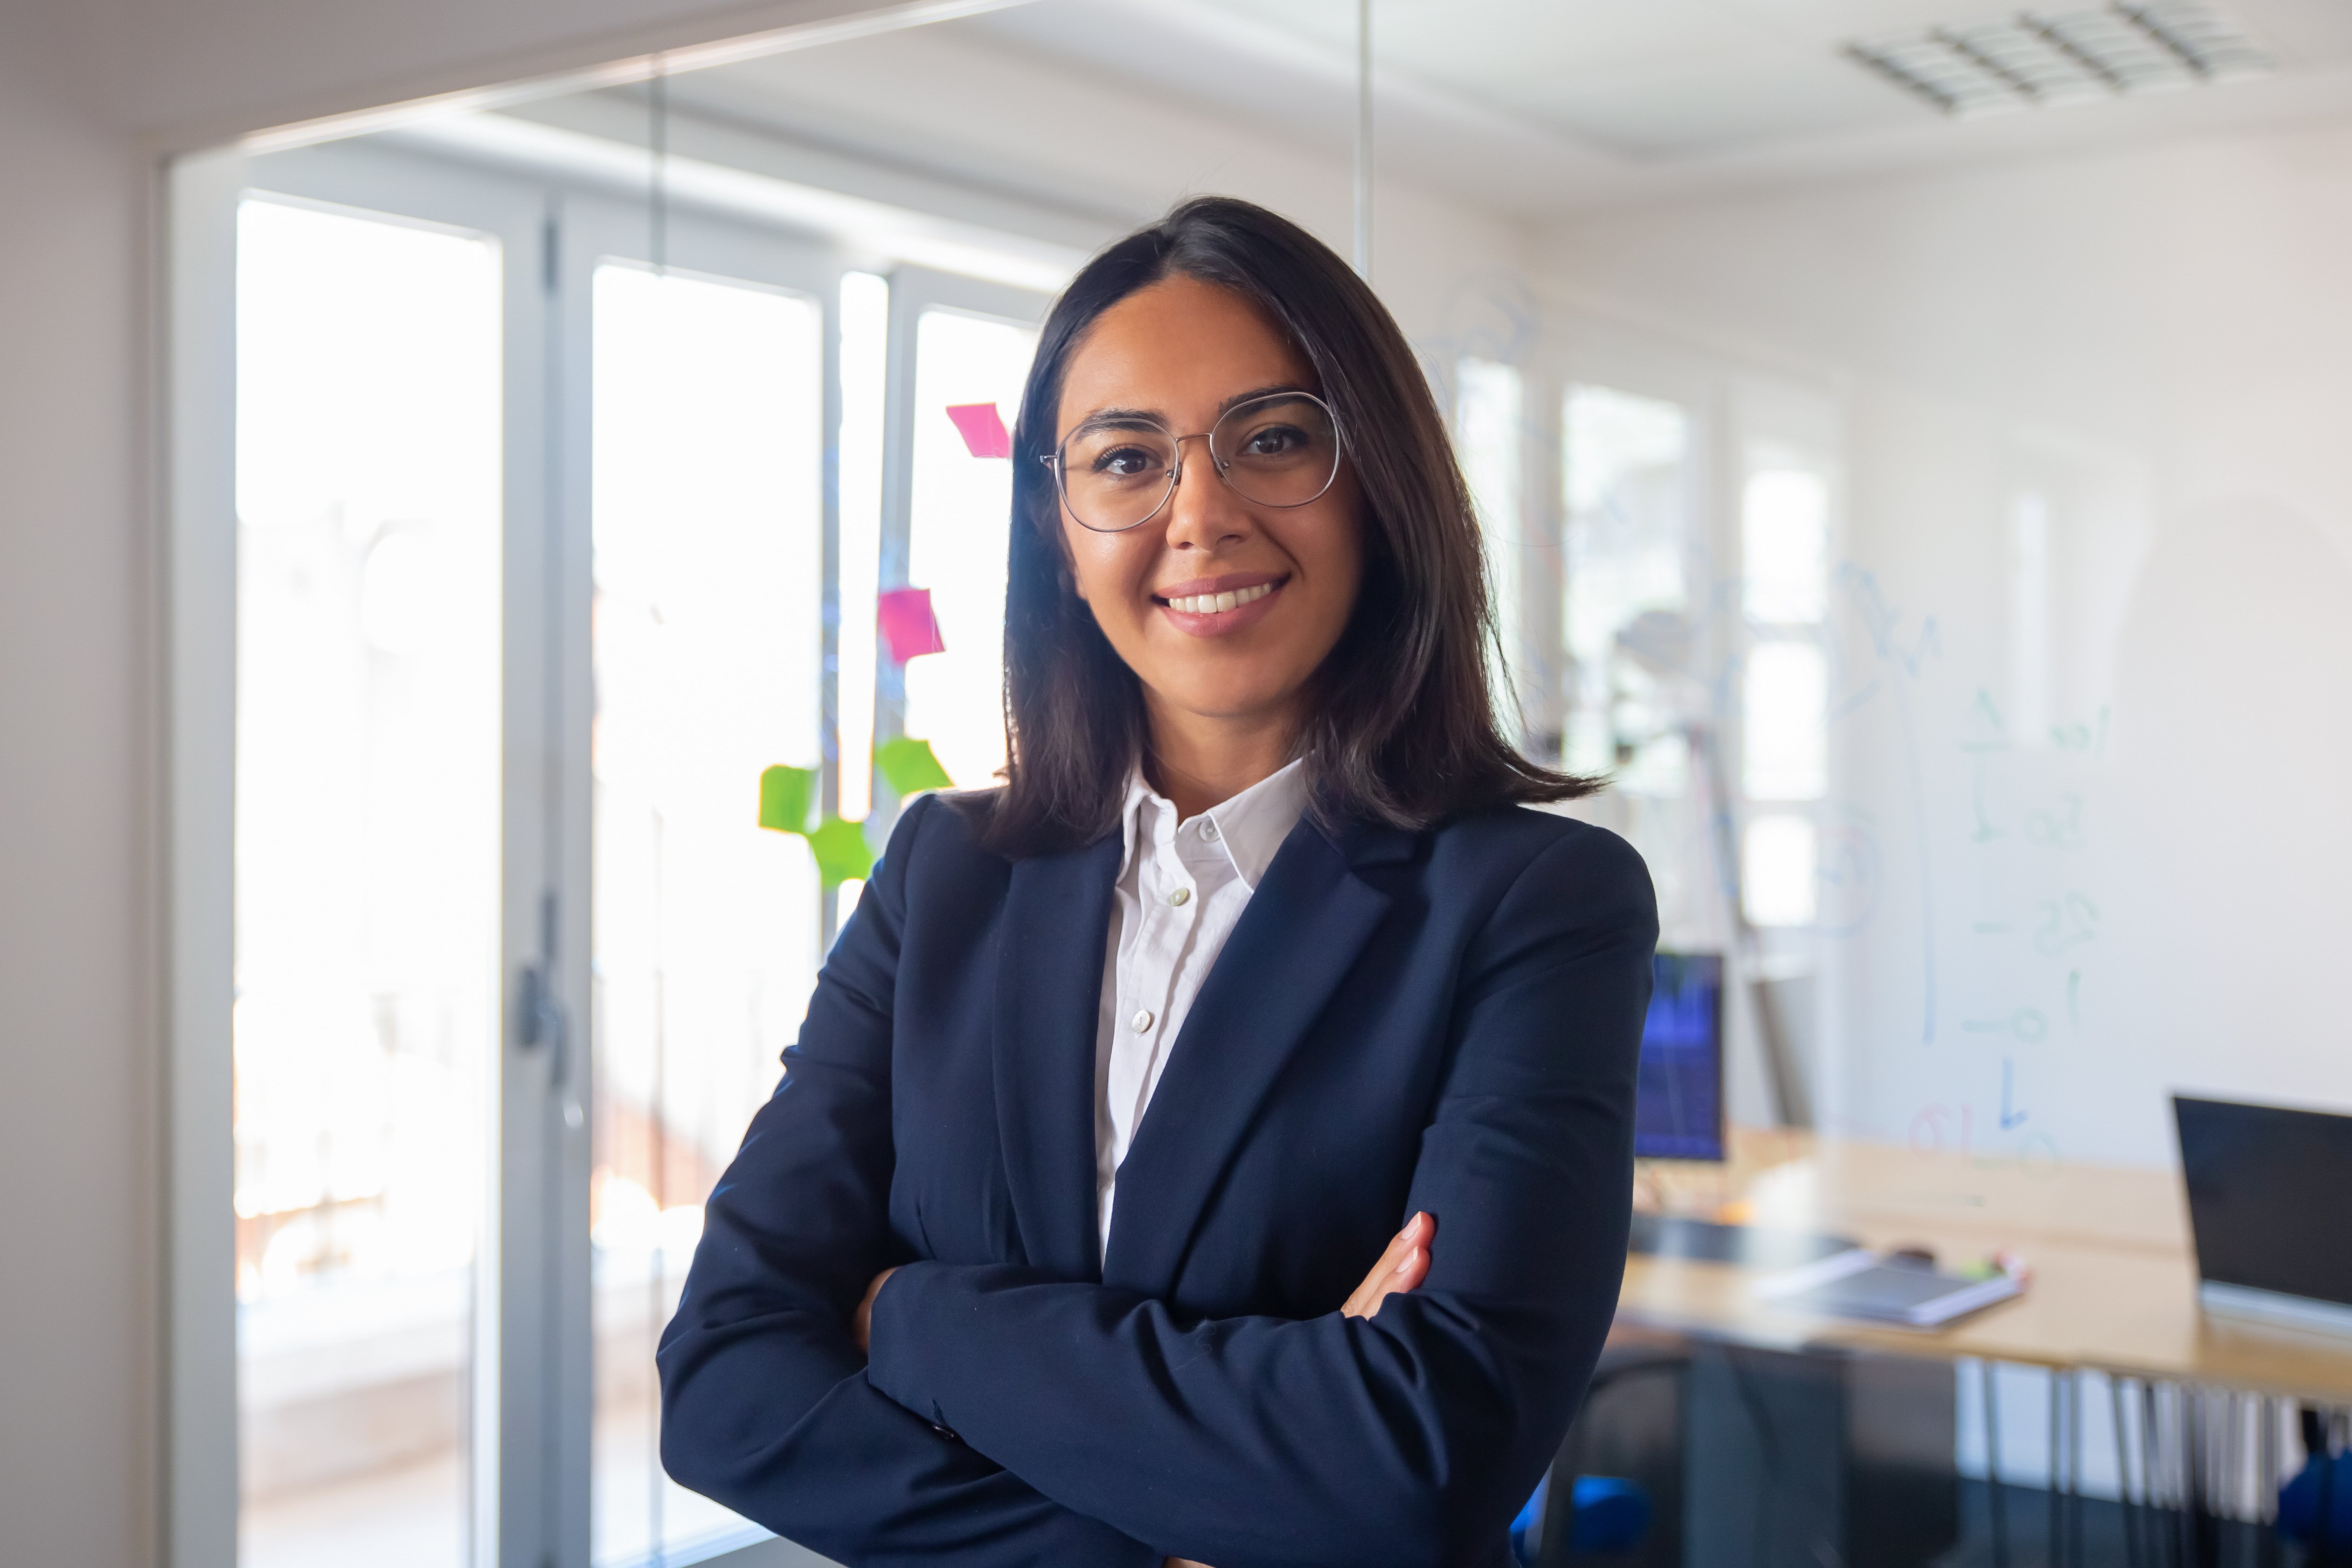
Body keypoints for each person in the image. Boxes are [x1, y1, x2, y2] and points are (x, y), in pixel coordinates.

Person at [658, 195, 1658, 1568]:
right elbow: (724, 1383)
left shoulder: (1537, 902)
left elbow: (1429, 1457)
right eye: (1128, 459)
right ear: (1057, 533)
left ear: (1377, 483)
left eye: (1274, 439)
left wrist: (911, 1315)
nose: (1202, 513)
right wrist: (1190, 1523)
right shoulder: (944, 874)